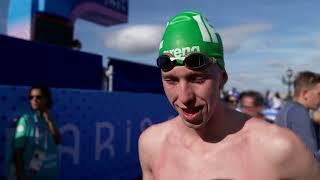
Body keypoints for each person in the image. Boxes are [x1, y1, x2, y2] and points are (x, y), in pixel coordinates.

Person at [138, 11, 320, 180]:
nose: (184, 97)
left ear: (222, 79)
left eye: (198, 78)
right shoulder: (152, 145)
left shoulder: (279, 149)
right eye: (171, 81)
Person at [13, 85, 61, 180]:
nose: (34, 100)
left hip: (50, 173)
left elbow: (57, 140)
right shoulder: (26, 119)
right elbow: (18, 150)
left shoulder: (49, 119)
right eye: (31, 97)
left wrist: (50, 121)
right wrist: (20, 176)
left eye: (38, 97)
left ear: (46, 99)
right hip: (32, 176)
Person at [275, 71, 320, 159]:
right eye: (319, 94)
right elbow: (311, 157)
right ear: (305, 94)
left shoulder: (288, 108)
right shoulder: (299, 112)